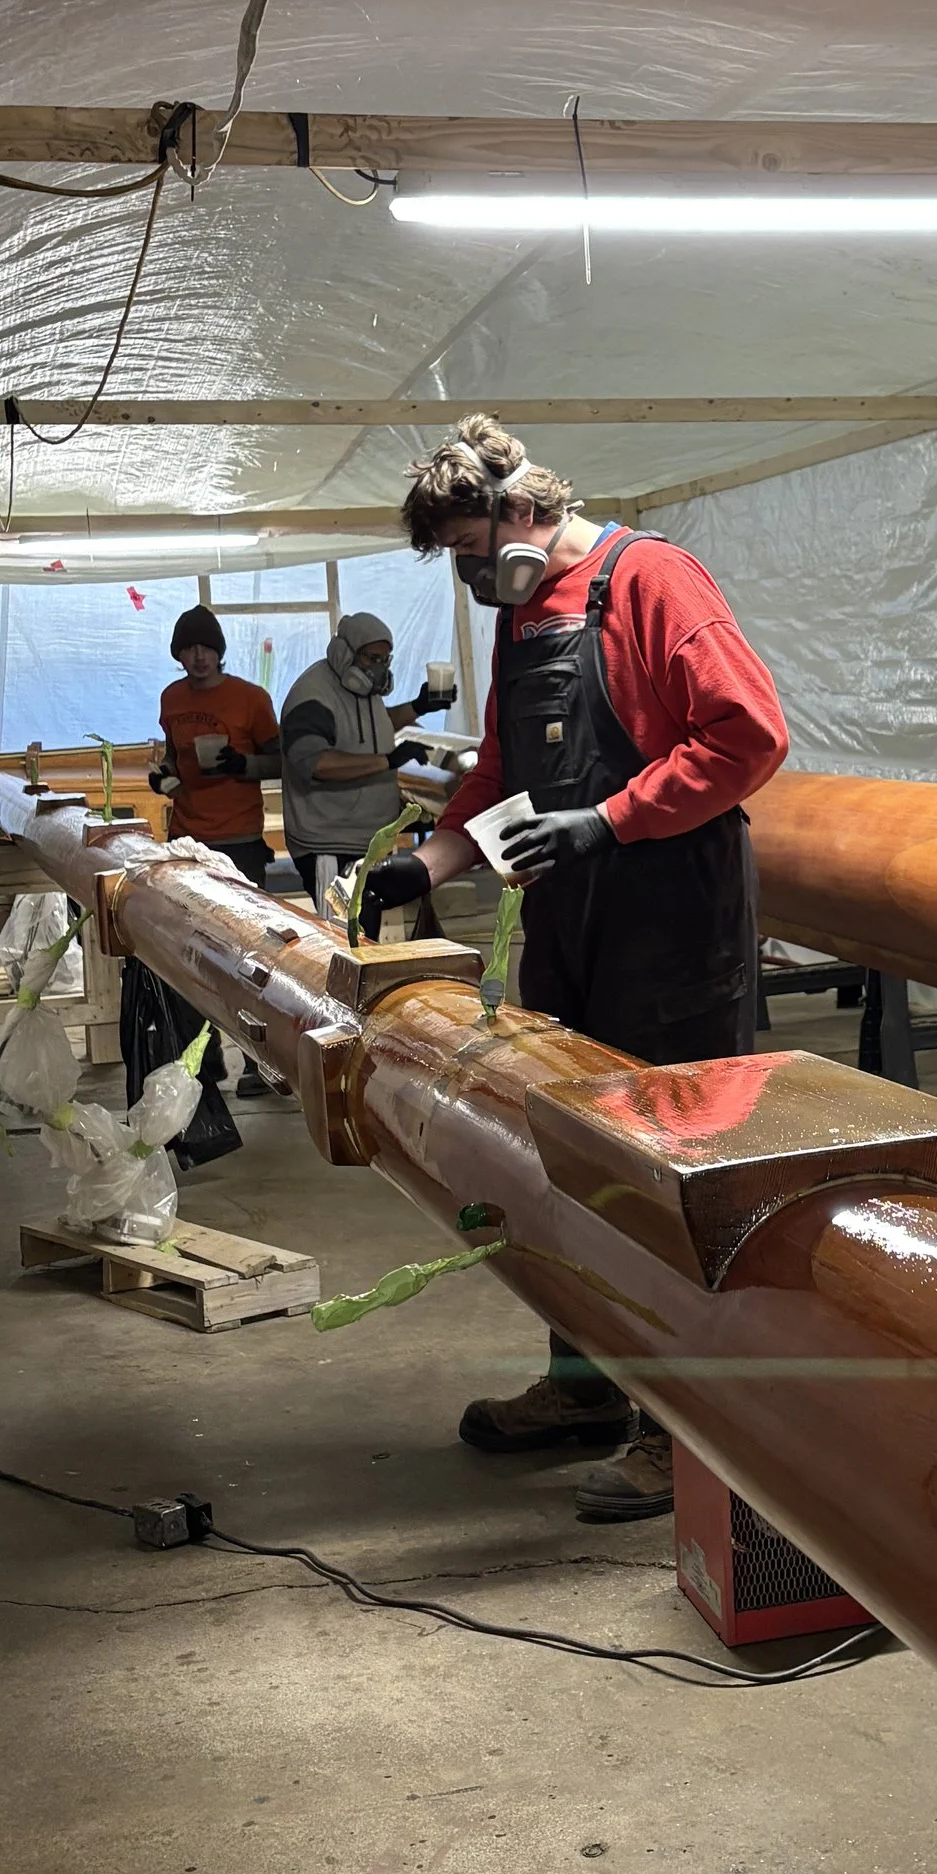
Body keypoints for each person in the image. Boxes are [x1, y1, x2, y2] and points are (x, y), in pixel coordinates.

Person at [364, 415, 788, 1521]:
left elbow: (747, 735)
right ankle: (585, 1388)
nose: (467, 577)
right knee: (568, 1154)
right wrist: (431, 862)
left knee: (671, 1165)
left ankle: (682, 1432)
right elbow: (504, 763)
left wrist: (610, 820)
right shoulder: (523, 618)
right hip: (570, 912)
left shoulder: (655, 582)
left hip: (671, 914)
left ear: (523, 516)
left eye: (468, 554)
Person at [276, 609, 456, 903]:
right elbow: (317, 763)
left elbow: (370, 728)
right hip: (329, 844)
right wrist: (389, 760)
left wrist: (419, 707)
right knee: (341, 935)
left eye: (385, 660)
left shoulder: (362, 690)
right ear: (343, 654)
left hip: (365, 838)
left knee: (364, 937)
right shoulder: (312, 695)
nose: (379, 669)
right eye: (372, 659)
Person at [151, 605, 280, 886]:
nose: (200, 656)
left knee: (244, 922)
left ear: (219, 652)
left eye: (207, 648)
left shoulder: (251, 699)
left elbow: (284, 762)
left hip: (239, 838)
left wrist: (243, 764)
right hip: (185, 837)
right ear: (179, 655)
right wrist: (162, 774)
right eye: (190, 648)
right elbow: (173, 754)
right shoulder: (171, 698)